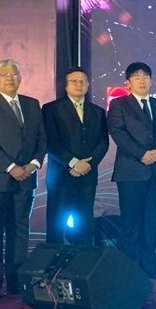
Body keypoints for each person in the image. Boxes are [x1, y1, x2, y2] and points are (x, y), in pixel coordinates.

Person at [0, 59, 46, 300]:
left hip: (25, 180)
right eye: (4, 74)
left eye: (14, 74)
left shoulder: (32, 104)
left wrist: (33, 164)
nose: (10, 78)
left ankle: (17, 283)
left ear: (20, 78)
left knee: (19, 234)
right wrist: (11, 167)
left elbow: (41, 140)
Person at [108, 62, 156, 279]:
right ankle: (129, 270)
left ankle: (149, 266)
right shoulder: (119, 105)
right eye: (136, 77)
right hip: (131, 171)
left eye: (145, 77)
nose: (142, 81)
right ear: (128, 82)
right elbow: (118, 133)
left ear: (151, 80)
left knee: (150, 221)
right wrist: (142, 154)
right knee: (131, 223)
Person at [42, 66, 109, 246]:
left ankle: (82, 269)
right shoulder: (51, 109)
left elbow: (103, 143)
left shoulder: (98, 111)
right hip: (60, 177)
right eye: (74, 81)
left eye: (83, 81)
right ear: (65, 85)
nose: (78, 85)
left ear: (87, 86)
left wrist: (87, 165)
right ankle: (54, 270)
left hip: (87, 176)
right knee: (57, 225)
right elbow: (50, 142)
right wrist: (73, 163)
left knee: (85, 225)